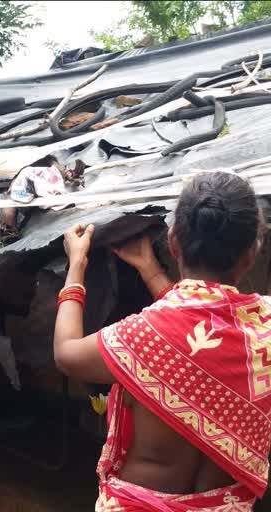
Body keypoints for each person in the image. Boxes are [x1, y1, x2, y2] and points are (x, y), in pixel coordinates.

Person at [53, 171, 270, 510]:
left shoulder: (142, 337)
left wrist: (76, 265)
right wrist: (151, 271)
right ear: (251, 254)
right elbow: (199, 336)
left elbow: (67, 353)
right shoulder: (265, 333)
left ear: (173, 243)